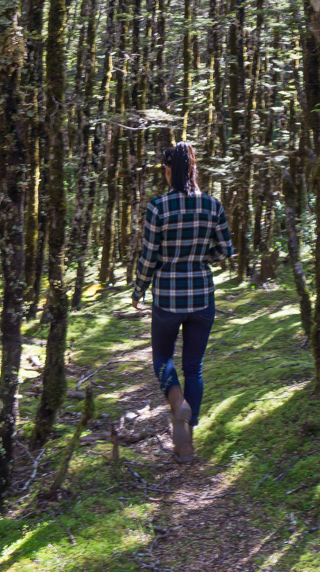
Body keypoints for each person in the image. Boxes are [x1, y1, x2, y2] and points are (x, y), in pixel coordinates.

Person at [131, 141, 233, 462]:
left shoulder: (158, 207)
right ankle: (186, 442)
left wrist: (138, 290)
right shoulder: (212, 205)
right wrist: (202, 256)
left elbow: (148, 257)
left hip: (168, 298)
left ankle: (178, 403)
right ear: (193, 170)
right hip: (202, 297)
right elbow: (224, 251)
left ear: (169, 170)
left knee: (162, 357)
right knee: (194, 367)